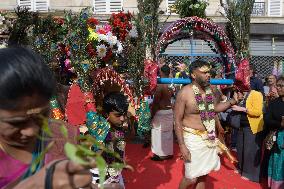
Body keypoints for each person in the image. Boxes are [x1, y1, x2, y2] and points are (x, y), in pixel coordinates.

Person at [0, 47, 94, 188]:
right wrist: (38, 183)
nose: (32, 130)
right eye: (17, 123)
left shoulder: (64, 136)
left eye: (42, 116)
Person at [174, 60, 238, 189]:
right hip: (192, 138)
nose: (208, 75)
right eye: (204, 72)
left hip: (209, 137)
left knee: (203, 175)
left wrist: (232, 101)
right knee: (191, 177)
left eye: (208, 72)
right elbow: (177, 120)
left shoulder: (212, 90)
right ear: (193, 75)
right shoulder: (184, 93)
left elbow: (214, 108)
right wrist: (182, 146)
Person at [91, 92, 129, 189]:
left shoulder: (118, 128)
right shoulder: (101, 133)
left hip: (115, 175)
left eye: (125, 114)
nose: (122, 118)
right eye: (118, 115)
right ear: (106, 114)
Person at [231, 87, 264, 182]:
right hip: (241, 127)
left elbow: (258, 112)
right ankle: (242, 169)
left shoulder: (256, 94)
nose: (238, 91)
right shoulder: (241, 95)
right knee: (241, 149)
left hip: (252, 127)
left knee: (250, 151)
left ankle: (251, 174)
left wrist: (242, 109)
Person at [150, 65, 174, 161]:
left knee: (158, 133)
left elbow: (156, 102)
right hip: (169, 110)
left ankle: (160, 155)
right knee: (168, 133)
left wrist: (152, 114)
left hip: (161, 111)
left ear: (161, 72)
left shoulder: (160, 85)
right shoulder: (172, 83)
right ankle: (168, 153)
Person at [266, 76, 284, 189]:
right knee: (277, 164)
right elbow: (267, 119)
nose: (279, 88)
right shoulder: (274, 103)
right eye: (278, 85)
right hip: (277, 138)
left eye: (281, 86)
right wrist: (280, 124)